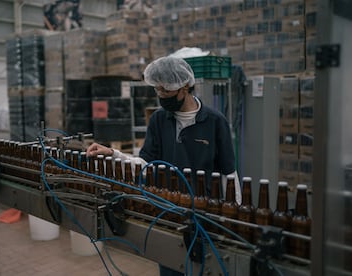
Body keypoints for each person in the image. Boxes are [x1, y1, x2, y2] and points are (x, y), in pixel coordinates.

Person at [86, 56, 241, 276]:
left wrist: (233, 218)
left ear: (185, 87)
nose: (160, 96)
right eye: (157, 90)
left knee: (204, 269)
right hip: (167, 212)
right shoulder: (159, 119)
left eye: (165, 91)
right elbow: (145, 162)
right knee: (170, 267)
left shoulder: (215, 121)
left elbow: (229, 173)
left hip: (204, 214)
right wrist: (113, 154)